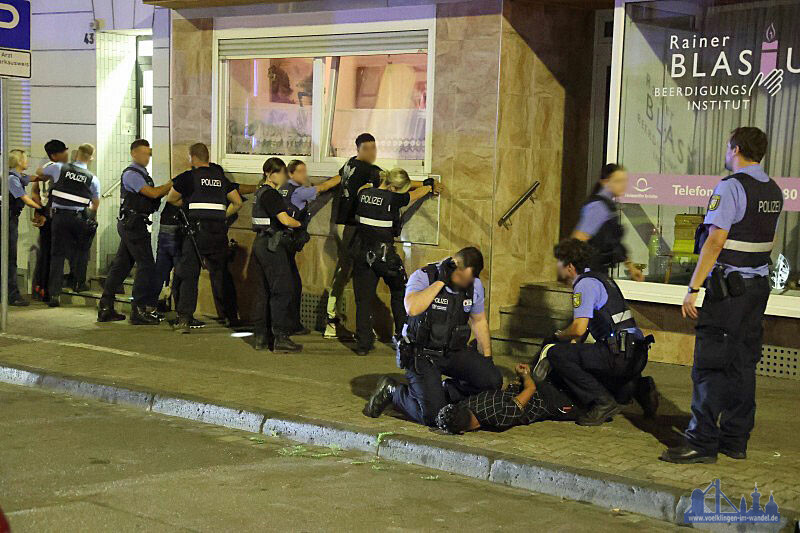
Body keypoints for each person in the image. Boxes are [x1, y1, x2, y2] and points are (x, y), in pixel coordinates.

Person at [661, 127, 783, 464]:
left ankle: (701, 442)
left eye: (728, 148)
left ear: (737, 149)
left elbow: (715, 240)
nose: (726, 153)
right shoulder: (773, 189)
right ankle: (735, 439)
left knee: (711, 364)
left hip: (729, 290)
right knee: (743, 364)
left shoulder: (732, 187)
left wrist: (693, 287)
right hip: (756, 290)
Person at [363, 247, 503, 427]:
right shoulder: (424, 276)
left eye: (469, 279)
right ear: (453, 265)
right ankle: (394, 392)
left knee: (492, 381)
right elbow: (412, 308)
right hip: (421, 353)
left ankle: (439, 394)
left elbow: (479, 321)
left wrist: (487, 357)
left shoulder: (473, 286)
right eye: (462, 277)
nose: (464, 283)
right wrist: (440, 283)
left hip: (453, 351)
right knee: (433, 417)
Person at [539, 238, 657, 426]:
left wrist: (558, 336)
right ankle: (640, 388)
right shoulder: (601, 279)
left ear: (569, 266)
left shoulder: (583, 286)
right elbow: (583, 332)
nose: (557, 267)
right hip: (636, 354)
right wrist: (571, 349)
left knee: (556, 354)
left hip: (618, 356)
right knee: (585, 362)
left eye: (559, 262)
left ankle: (602, 403)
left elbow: (578, 329)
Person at [351, 168, 439, 355]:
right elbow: (416, 194)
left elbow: (376, 186)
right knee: (400, 292)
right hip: (385, 257)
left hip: (362, 254)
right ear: (393, 187)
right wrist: (429, 185)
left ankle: (363, 345)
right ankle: (402, 336)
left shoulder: (363, 193)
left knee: (363, 300)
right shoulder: (393, 198)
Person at [165, 143, 242, 332]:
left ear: (192, 157)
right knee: (222, 274)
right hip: (217, 232)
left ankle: (184, 319)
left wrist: (189, 204)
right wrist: (222, 216)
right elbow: (237, 202)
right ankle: (231, 317)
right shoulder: (219, 177)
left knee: (189, 275)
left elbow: (171, 199)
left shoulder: (189, 177)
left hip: (195, 234)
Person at [98, 139, 173, 324]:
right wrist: (170, 184)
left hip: (133, 224)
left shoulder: (141, 173)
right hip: (134, 225)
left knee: (121, 265)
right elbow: (152, 193)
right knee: (146, 265)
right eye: (143, 153)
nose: (147, 157)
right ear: (133, 153)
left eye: (148, 153)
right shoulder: (132, 174)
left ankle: (106, 307)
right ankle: (138, 310)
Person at [321, 133, 383, 339]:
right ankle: (332, 320)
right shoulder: (368, 170)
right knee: (348, 271)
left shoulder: (350, 163)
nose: (373, 153)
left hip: (342, 224)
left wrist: (320, 188)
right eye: (369, 148)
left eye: (374, 148)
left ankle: (336, 320)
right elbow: (395, 183)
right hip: (350, 226)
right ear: (360, 149)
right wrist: (427, 186)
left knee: (346, 269)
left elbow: (339, 179)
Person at [279, 160, 339, 334]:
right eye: (301, 172)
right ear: (291, 174)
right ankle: (289, 325)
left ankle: (287, 324)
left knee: (289, 282)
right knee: (292, 284)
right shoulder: (298, 192)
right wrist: (344, 175)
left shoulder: (283, 188)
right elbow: (323, 187)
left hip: (280, 240)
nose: (304, 175)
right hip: (288, 241)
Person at [37, 143, 101, 307]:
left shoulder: (59, 168)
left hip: (59, 218)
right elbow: (95, 203)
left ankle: (54, 295)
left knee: (57, 255)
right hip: (79, 218)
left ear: (76, 155)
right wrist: (90, 216)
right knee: (81, 251)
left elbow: (40, 172)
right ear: (91, 158)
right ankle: (79, 284)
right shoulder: (92, 178)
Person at [250, 157, 303, 352]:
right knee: (282, 290)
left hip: (261, 243)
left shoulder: (259, 192)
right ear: (271, 174)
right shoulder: (271, 194)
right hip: (272, 245)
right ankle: (280, 337)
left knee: (263, 291)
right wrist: (300, 225)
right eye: (282, 172)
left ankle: (261, 337)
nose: (284, 176)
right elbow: (285, 220)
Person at [435, 364, 577, 434]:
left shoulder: (499, 418)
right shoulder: (469, 402)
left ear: (462, 432)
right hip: (544, 394)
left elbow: (531, 389)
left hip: (546, 399)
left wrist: (525, 375)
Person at [572, 164, 644, 281]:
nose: (623, 185)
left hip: (599, 271)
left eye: (624, 181)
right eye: (618, 181)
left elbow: (614, 242)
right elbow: (579, 239)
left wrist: (631, 267)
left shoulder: (609, 206)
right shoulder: (598, 207)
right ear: (605, 182)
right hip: (590, 272)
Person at [2, 150, 42, 306]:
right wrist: (42, 209)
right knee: (9, 259)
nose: (28, 161)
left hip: (10, 219)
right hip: (7, 221)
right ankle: (12, 295)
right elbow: (25, 199)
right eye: (26, 159)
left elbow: (31, 178)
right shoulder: (12, 179)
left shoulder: (16, 176)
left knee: (8, 258)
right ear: (19, 161)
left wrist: (45, 175)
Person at [31, 140, 69, 302]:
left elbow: (35, 191)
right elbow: (37, 191)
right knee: (50, 254)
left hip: (47, 214)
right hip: (52, 215)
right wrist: (41, 211)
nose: (67, 154)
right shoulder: (55, 170)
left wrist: (38, 210)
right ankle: (46, 289)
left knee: (46, 253)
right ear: (54, 155)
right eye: (64, 151)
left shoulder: (45, 167)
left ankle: (41, 287)